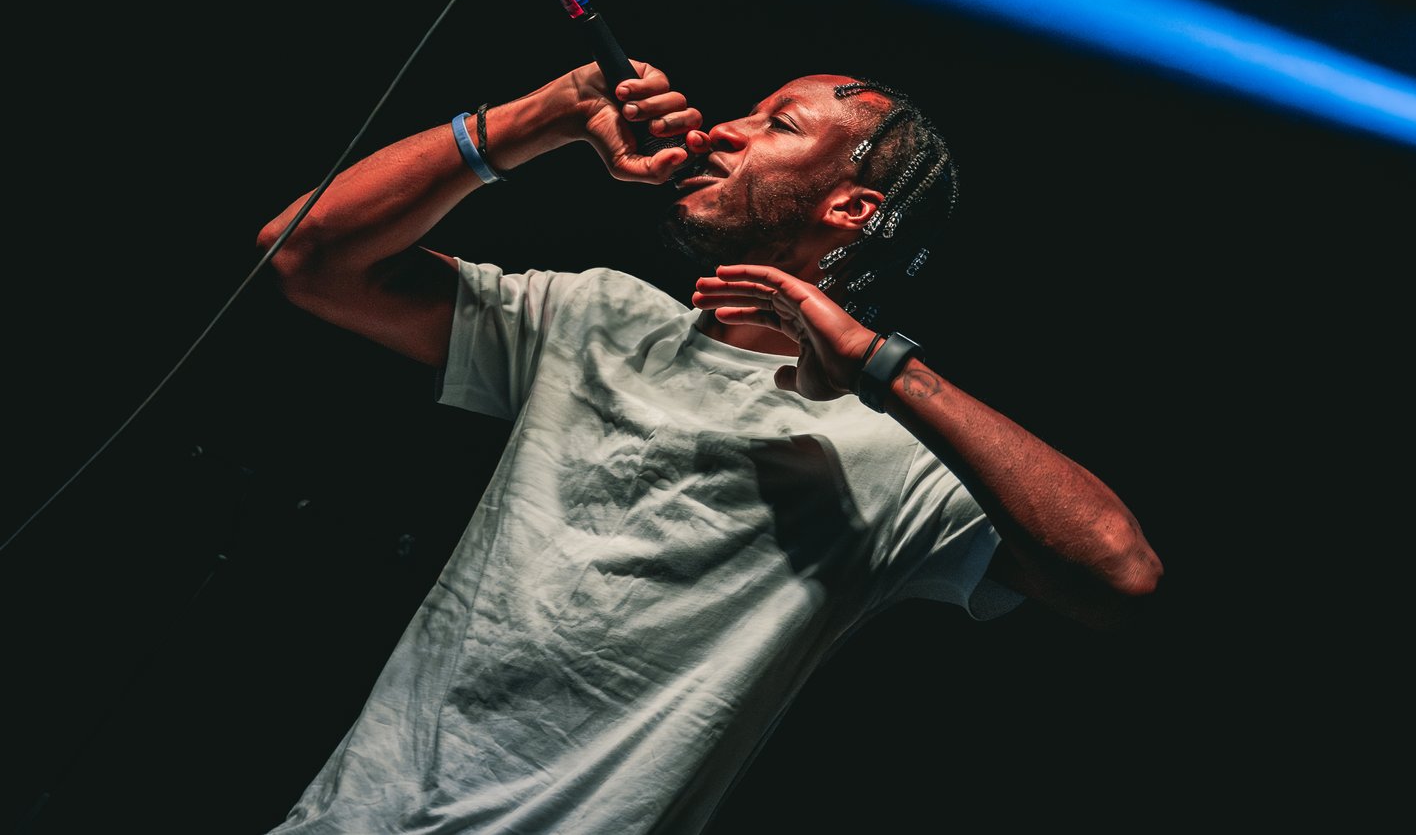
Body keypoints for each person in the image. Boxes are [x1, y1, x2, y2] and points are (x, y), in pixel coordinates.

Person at [254, 57, 1161, 833]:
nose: (723, 130)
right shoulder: (595, 316)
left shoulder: (888, 448)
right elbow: (307, 257)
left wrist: (883, 368)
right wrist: (546, 116)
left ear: (851, 208)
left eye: (777, 124)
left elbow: (1120, 573)